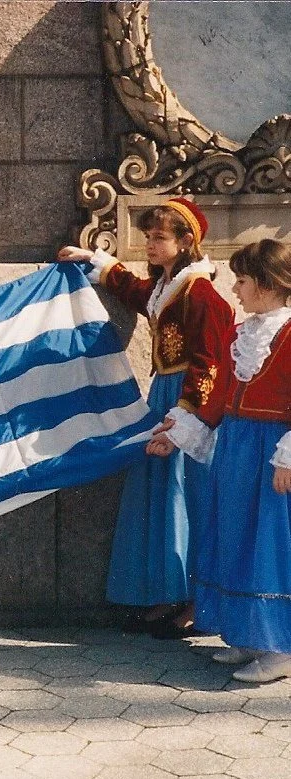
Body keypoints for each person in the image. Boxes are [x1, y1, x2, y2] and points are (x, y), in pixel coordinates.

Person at [59, 198, 233, 638]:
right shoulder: (169, 286)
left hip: (189, 403)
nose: (150, 245)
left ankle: (196, 598)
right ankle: (167, 591)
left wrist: (186, 417)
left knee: (187, 495)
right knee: (160, 495)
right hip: (163, 395)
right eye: (149, 236)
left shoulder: (203, 295)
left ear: (186, 242)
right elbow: (139, 294)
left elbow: (210, 363)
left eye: (159, 237)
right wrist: (94, 262)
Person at [149, 239, 291, 681]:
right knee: (234, 535)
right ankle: (249, 636)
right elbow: (218, 397)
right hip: (235, 448)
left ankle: (280, 646)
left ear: (269, 285)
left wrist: (288, 457)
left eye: (243, 281)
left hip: (271, 455)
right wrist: (180, 432)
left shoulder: (289, 335)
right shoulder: (240, 334)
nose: (236, 290)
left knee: (266, 542)